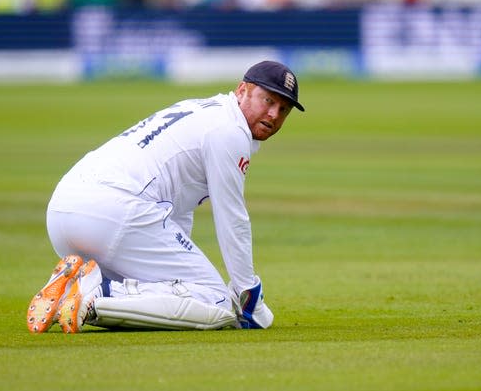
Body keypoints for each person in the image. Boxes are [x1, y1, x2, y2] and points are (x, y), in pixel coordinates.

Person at [27, 60, 305, 333]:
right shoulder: (230, 131)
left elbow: (178, 209)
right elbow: (232, 217)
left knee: (169, 291)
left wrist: (176, 275)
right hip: (114, 211)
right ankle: (96, 294)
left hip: (64, 210)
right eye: (267, 101)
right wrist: (248, 292)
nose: (273, 115)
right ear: (242, 90)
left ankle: (70, 289)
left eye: (284, 109)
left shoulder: (199, 109)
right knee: (215, 299)